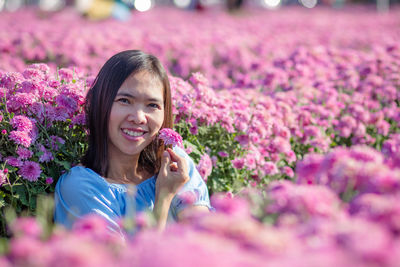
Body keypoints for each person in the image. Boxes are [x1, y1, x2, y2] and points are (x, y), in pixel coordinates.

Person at [54, 50, 211, 235]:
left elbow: (205, 239)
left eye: (152, 105)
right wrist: (163, 199)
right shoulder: (81, 187)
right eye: (124, 100)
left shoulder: (175, 167)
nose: (138, 118)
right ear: (100, 103)